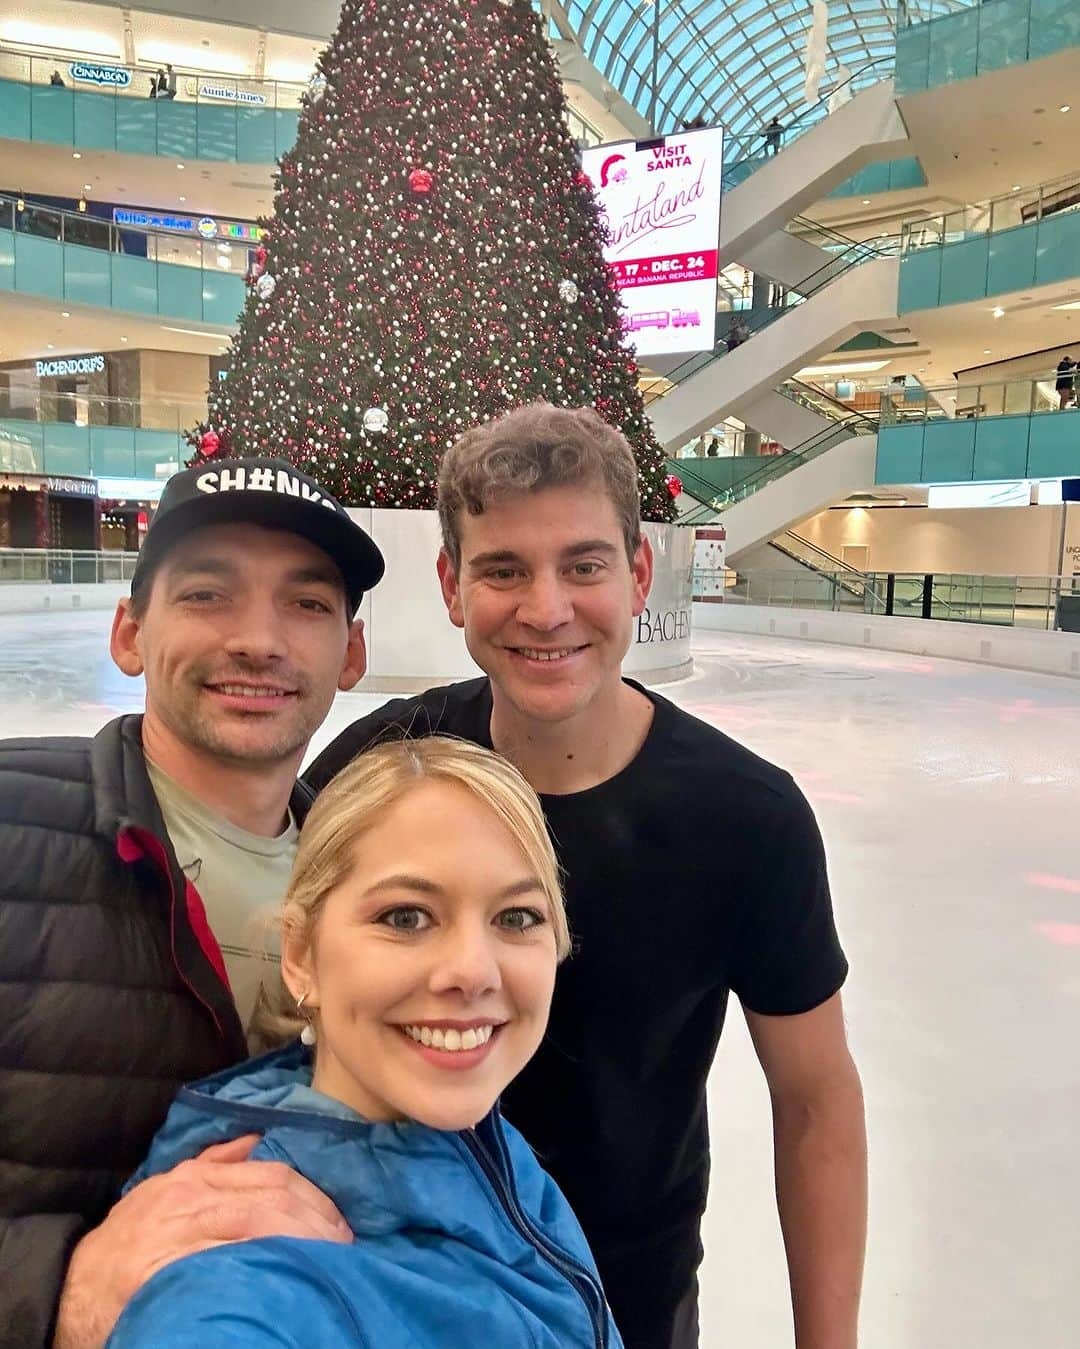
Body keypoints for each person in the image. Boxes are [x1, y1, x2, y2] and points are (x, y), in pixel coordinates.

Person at [306, 403, 868, 1349]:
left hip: (626, 1304)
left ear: (639, 572)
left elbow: (813, 1097)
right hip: (385, 1289)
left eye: (584, 564)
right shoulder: (380, 768)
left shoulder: (746, 819)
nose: (546, 607)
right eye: (503, 570)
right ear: (450, 584)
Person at [0, 457, 385, 1349]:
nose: (260, 639)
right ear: (130, 632)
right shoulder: (13, 825)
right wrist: (62, 1285)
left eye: (308, 603)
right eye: (209, 594)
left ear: (352, 654)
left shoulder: (383, 882)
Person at [106, 737, 623, 1348]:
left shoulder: (487, 1153)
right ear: (300, 957)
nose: (473, 971)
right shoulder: (237, 1286)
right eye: (405, 917)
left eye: (516, 917)